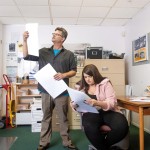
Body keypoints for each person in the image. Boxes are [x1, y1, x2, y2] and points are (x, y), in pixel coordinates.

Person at [23, 27, 77, 150]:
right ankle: (44, 142)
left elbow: (74, 71)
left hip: (61, 91)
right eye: (53, 33)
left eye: (56, 34)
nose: (53, 35)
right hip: (45, 90)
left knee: (63, 118)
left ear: (62, 39)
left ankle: (66, 142)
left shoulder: (69, 54)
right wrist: (24, 40)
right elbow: (26, 56)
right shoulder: (43, 52)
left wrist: (64, 75)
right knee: (46, 117)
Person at [70, 64, 129, 150]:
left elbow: (112, 103)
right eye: (85, 77)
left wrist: (97, 103)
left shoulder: (105, 83)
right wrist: (74, 105)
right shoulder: (80, 86)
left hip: (108, 111)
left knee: (122, 126)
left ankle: (103, 147)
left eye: (90, 76)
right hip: (90, 113)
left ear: (95, 74)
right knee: (89, 126)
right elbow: (76, 103)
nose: (87, 79)